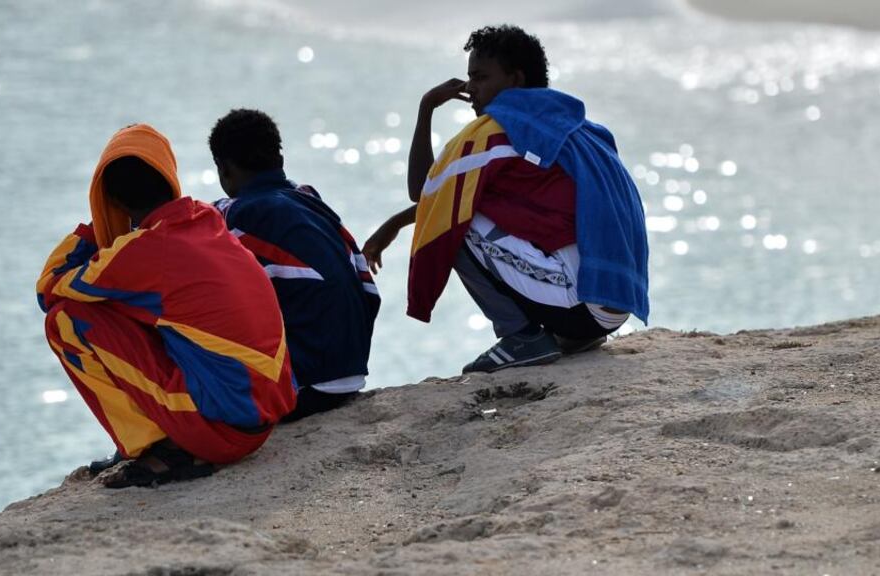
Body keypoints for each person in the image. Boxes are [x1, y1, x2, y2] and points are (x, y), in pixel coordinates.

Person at [363, 24, 649, 374]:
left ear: (514, 80)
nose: (470, 89)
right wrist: (396, 222)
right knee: (465, 202)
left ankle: (521, 337)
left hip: (585, 305)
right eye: (469, 78)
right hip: (616, 299)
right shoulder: (569, 125)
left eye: (481, 78)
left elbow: (427, 191)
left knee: (455, 219)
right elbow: (456, 191)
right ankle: (571, 336)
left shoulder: (499, 128)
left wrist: (426, 108)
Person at [37, 124, 296, 488]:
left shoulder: (143, 250)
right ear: (169, 176)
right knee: (136, 312)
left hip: (222, 433)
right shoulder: (206, 220)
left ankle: (160, 449)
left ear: (112, 197)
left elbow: (49, 288)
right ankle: (167, 437)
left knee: (65, 320)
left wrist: (97, 225)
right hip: (261, 418)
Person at [209, 109, 380, 421]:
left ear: (224, 170)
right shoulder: (310, 198)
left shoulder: (237, 217)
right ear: (280, 159)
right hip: (350, 371)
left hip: (307, 385)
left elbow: (200, 224)